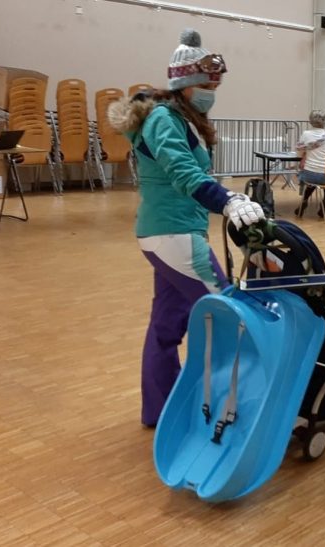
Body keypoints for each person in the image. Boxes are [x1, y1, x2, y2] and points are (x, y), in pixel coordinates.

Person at [108, 29, 265, 427]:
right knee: (229, 314)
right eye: (208, 82)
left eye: (217, 82)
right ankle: (236, 406)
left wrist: (228, 196)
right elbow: (183, 172)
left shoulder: (179, 117)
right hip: (174, 235)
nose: (214, 89)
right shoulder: (164, 118)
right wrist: (226, 201)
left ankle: (159, 410)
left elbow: (192, 171)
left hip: (171, 233)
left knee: (167, 324)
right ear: (186, 83)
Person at [294, 109, 325, 217]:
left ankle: (304, 200)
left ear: (310, 121)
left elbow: (299, 154)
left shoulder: (306, 134)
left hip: (309, 174)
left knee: (311, 178)